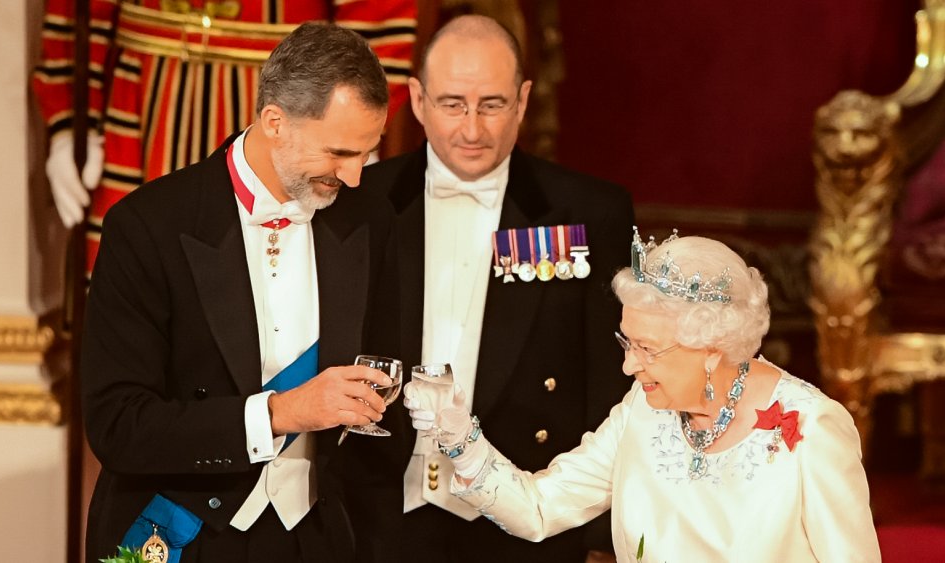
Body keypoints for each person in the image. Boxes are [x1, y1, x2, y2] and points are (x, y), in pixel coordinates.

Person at [80, 22, 402, 563]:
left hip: (316, 538)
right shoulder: (148, 226)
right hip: (184, 533)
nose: (354, 177)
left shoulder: (369, 222)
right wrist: (282, 413)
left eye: (366, 154)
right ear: (275, 122)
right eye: (339, 153)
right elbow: (118, 425)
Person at [405, 229, 882, 562]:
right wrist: (460, 438)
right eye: (626, 342)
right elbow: (540, 509)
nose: (629, 365)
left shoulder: (812, 430)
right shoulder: (643, 408)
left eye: (647, 349)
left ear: (712, 348)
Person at [360, 14, 635, 563]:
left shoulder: (588, 212)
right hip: (379, 508)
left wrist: (601, 537)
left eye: (492, 105)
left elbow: (613, 381)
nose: (472, 130)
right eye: (452, 104)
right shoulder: (362, 202)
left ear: (523, 100)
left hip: (527, 511)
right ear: (416, 100)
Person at [32, 0, 416, 276]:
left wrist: (353, 128)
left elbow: (378, 13)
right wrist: (69, 114)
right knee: (130, 275)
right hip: (142, 95)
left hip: (288, 95)